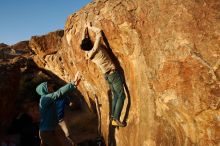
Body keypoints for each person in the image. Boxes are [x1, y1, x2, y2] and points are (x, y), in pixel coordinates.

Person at [80, 22, 126, 127]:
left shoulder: (87, 53)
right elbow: (99, 32)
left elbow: (83, 41)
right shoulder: (96, 48)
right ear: (91, 43)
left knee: (115, 96)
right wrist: (89, 27)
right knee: (121, 96)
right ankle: (117, 118)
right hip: (113, 74)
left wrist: (84, 29)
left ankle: (113, 117)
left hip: (106, 75)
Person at [36, 73, 81, 146]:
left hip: (47, 131)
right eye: (48, 87)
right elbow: (59, 92)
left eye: (49, 85)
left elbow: (60, 95)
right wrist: (73, 83)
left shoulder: (46, 99)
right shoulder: (45, 98)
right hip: (47, 132)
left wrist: (73, 86)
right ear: (44, 90)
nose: (51, 87)